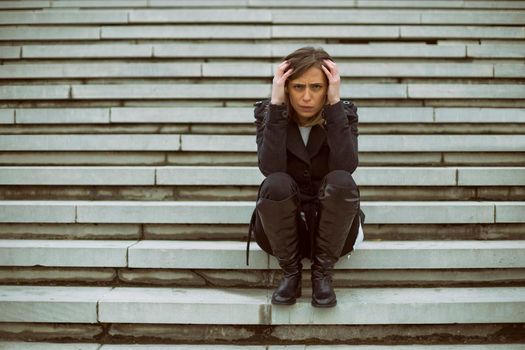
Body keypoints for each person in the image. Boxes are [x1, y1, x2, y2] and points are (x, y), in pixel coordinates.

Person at [246, 46, 365, 308]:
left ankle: (322, 274)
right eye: (298, 87)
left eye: (316, 87)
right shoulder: (270, 114)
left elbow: (346, 166)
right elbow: (270, 167)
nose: (307, 97)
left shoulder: (343, 114)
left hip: (334, 230)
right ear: (287, 87)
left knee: (342, 182)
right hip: (283, 230)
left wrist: (334, 105)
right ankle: (291, 274)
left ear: (328, 87)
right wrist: (276, 105)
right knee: (275, 183)